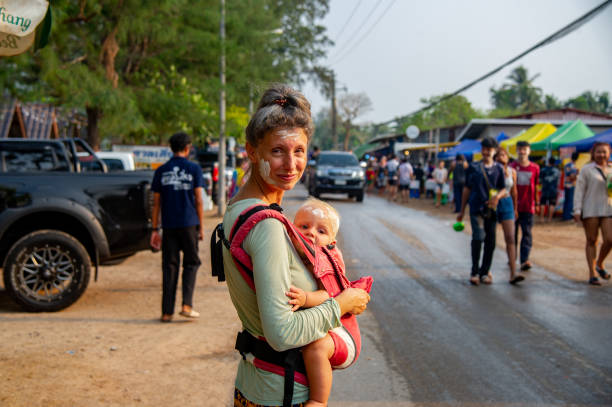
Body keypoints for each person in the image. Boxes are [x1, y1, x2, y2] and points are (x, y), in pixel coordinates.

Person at [221, 85, 370, 406]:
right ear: (252, 151)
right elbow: (282, 333)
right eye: (277, 151)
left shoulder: (238, 206)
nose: (290, 164)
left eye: (299, 150)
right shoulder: (267, 226)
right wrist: (343, 304)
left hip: (255, 384)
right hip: (282, 394)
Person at [287, 198, 371, 407]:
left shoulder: (329, 259)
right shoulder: (293, 252)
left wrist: (306, 298)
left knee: (315, 348)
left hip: (343, 335)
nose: (311, 233)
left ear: (332, 241)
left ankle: (319, 400)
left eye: (321, 231)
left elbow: (328, 295)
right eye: (303, 226)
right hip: (325, 327)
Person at [150, 132, 204, 323]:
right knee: (191, 263)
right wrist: (201, 227)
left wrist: (155, 229)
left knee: (169, 267)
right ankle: (186, 306)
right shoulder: (194, 169)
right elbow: (199, 199)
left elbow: (156, 203)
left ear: (171, 148)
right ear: (188, 148)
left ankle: (166, 312)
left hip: (169, 226)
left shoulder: (161, 170)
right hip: (189, 224)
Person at [457, 136, 507, 285]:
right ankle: (475, 272)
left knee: (490, 242)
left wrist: (498, 196)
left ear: (495, 151)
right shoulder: (474, 167)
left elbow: (504, 188)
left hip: (492, 209)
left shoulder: (499, 168)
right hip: (476, 208)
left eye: (489, 150)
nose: (486, 152)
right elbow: (467, 188)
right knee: (478, 238)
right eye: (484, 149)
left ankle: (485, 272)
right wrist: (461, 210)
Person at [573, 142, 612, 286]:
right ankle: (592, 273)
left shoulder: (611, 169)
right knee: (591, 240)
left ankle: (599, 263)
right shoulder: (587, 169)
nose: (601, 155)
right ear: (593, 153)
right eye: (598, 152)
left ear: (609, 153)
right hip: (590, 209)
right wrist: (577, 209)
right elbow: (579, 190)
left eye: (604, 152)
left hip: (608, 209)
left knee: (609, 239)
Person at [495, 147, 523, 284]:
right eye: (499, 155)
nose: (502, 157)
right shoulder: (492, 170)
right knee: (490, 238)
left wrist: (516, 208)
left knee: (511, 238)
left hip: (507, 203)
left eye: (504, 155)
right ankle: (485, 270)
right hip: (493, 202)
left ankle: (513, 272)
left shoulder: (512, 172)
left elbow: (514, 191)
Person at [510, 141, 540, 272]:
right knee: (512, 234)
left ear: (529, 151)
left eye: (525, 149)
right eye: (520, 149)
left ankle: (524, 259)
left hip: (528, 206)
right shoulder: (511, 167)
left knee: (527, 233)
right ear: (516, 150)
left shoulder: (535, 168)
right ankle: (512, 257)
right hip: (512, 206)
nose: (522, 152)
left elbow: (536, 186)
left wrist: (537, 203)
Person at [539, 157, 560, 222]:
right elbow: (558, 181)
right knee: (552, 204)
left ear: (548, 161)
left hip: (544, 188)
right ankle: (549, 219)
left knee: (542, 203)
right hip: (553, 189)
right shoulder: (557, 171)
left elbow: (539, 180)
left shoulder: (543, 170)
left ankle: (541, 218)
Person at [563, 152, 580, 221]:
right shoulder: (573, 166)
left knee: (567, 200)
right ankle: (568, 217)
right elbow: (572, 176)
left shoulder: (567, 165)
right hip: (571, 185)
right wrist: (578, 173)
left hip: (566, 185)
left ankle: (565, 216)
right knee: (570, 201)